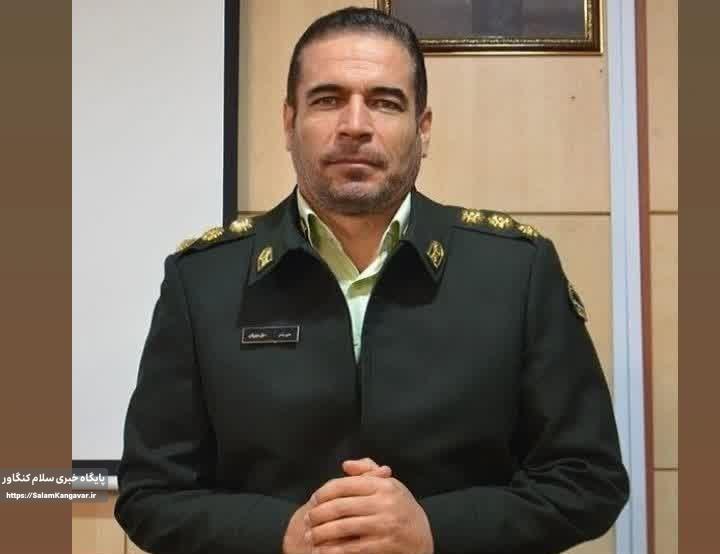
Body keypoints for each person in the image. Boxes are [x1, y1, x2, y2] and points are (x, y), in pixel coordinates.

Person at [115, 7, 629, 554]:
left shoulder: (515, 272)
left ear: (422, 129)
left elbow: (587, 479)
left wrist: (435, 530)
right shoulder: (203, 281)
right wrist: (282, 534)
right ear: (289, 123)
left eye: (385, 102)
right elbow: (150, 495)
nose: (355, 125)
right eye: (327, 99)